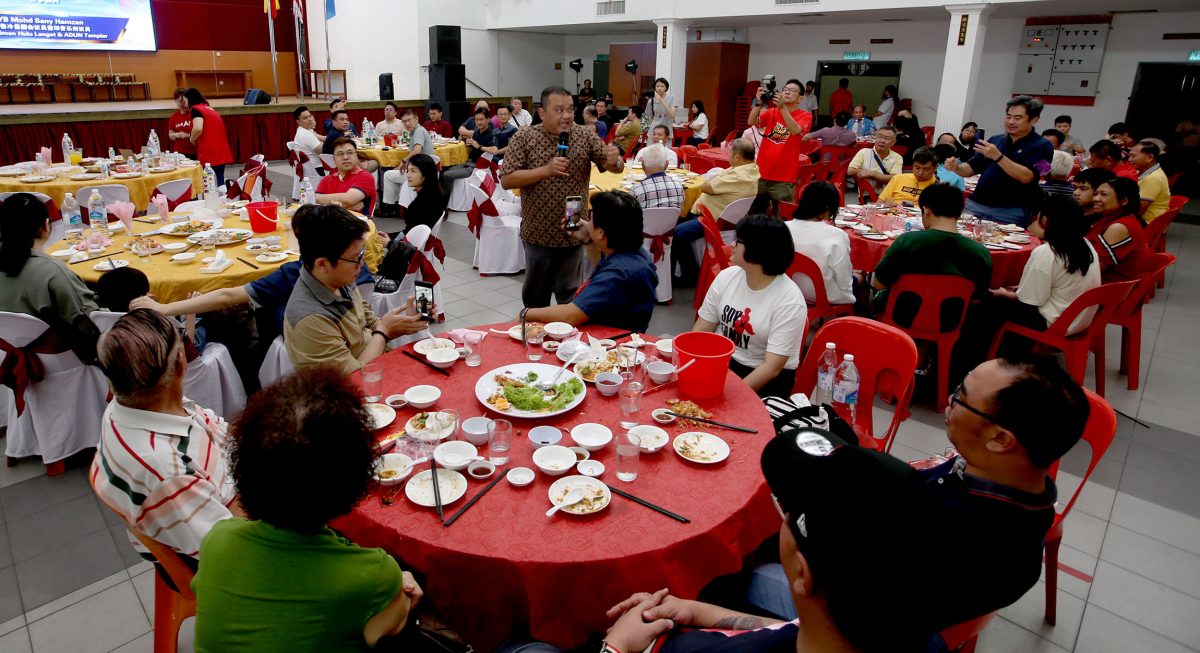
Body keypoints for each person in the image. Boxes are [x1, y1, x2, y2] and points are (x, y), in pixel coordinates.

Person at [703, 355, 1089, 640]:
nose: (950, 402)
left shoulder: (939, 530)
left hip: (856, 620)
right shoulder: (1026, 494)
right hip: (892, 590)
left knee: (723, 567)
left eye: (961, 396)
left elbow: (841, 619)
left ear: (1000, 439)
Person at [192, 366, 423, 651]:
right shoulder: (373, 573)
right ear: (353, 480)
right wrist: (397, 589)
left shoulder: (218, 539)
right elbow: (393, 623)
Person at [90, 309, 240, 562]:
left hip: (218, 497)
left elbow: (219, 430)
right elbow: (230, 549)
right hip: (222, 556)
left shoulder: (131, 404)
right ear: (181, 360)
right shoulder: (166, 470)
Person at [131, 208, 377, 344]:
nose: (359, 262)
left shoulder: (300, 272)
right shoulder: (345, 259)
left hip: (320, 339)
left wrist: (164, 308)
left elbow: (227, 295)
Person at [501, 86, 625, 307]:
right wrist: (546, 170)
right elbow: (507, 179)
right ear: (542, 113)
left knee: (570, 296)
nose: (567, 116)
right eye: (559, 110)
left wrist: (614, 159)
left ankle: (566, 338)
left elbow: (610, 166)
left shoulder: (585, 134)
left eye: (570, 109)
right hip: (538, 229)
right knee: (535, 298)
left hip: (573, 225)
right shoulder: (525, 136)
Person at [283, 204, 427, 374]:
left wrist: (406, 323)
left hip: (378, 367)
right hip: (347, 393)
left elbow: (370, 322)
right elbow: (355, 377)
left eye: (361, 255)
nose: (361, 265)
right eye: (355, 258)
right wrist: (385, 331)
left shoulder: (339, 279)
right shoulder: (309, 318)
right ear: (322, 264)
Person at [695, 215, 807, 398]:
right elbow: (701, 332)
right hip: (722, 363)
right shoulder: (727, 277)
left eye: (738, 241)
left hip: (763, 379)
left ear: (757, 250)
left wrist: (729, 394)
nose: (731, 245)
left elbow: (772, 368)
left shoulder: (789, 300)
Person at [520, 191, 657, 332]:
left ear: (601, 233)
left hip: (608, 341)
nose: (587, 222)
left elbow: (569, 316)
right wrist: (589, 240)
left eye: (591, 219)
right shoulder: (632, 251)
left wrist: (526, 314)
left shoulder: (618, 273)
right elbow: (602, 266)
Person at [970, 195, 1100, 345]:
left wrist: (1005, 294)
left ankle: (980, 355)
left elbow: (1029, 303)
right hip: (1078, 319)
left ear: (1044, 220)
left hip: (1054, 321)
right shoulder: (1085, 245)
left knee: (985, 302)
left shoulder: (1048, 252)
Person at [872, 183, 992, 326]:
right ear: (960, 213)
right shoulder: (980, 251)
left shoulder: (908, 241)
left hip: (902, 316)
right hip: (950, 321)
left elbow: (878, 283)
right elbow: (977, 299)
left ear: (926, 211)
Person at [0, 193, 99, 363]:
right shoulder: (52, 271)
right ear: (45, 226)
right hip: (66, 362)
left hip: (9, 357)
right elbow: (90, 322)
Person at [949, 96, 1054, 226]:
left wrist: (998, 157)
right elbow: (971, 168)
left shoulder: (1044, 146)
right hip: (976, 205)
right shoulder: (995, 140)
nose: (1010, 121)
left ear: (1033, 120)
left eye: (1017, 118)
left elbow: (1029, 177)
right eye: (1008, 116)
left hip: (1010, 211)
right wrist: (956, 167)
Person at [673, 138, 761, 285]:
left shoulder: (738, 176)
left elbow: (706, 187)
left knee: (677, 233)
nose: (729, 157)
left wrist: (711, 181)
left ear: (737, 156)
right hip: (719, 216)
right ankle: (688, 270)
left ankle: (688, 275)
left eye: (730, 153)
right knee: (678, 220)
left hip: (712, 220)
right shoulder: (752, 169)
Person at [785, 181, 855, 307]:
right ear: (827, 208)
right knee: (860, 278)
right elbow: (844, 282)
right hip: (823, 296)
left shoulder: (781, 228)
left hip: (788, 291)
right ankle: (856, 320)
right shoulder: (836, 235)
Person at [748, 78, 812, 211]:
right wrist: (758, 103)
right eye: (786, 90)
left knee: (783, 218)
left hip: (784, 178)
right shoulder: (771, 112)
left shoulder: (805, 116)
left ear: (800, 99)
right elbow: (751, 121)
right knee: (755, 214)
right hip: (761, 174)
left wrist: (782, 108)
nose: (788, 92)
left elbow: (795, 130)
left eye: (793, 90)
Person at [1088, 177, 1153, 282]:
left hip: (1108, 289)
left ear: (1123, 201)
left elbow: (1096, 268)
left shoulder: (1119, 227)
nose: (1095, 199)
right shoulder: (1111, 218)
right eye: (1095, 194)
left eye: (1103, 194)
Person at [378, 111, 434, 217]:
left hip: (422, 173)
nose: (407, 124)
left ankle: (389, 208)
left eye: (409, 120)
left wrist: (404, 161)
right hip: (422, 169)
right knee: (394, 172)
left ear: (416, 119)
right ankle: (396, 206)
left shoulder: (418, 131)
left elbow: (417, 150)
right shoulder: (417, 131)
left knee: (388, 175)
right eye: (404, 121)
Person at [184, 88, 233, 186]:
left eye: (185, 101)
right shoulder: (207, 108)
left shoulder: (196, 109)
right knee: (219, 179)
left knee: (211, 183)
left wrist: (192, 138)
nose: (185, 104)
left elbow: (198, 128)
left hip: (210, 151)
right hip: (221, 149)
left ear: (190, 99)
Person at [316, 138, 378, 215]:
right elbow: (316, 206)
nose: (345, 157)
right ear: (334, 159)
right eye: (340, 154)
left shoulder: (365, 177)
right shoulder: (326, 180)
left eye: (350, 153)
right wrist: (348, 207)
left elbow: (349, 199)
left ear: (356, 156)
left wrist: (317, 197)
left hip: (356, 224)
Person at [397, 153, 446, 233]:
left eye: (413, 171)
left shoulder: (424, 204)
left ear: (425, 174)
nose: (408, 175)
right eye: (408, 170)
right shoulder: (433, 194)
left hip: (413, 243)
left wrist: (389, 242)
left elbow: (411, 238)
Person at [847, 125, 902, 193]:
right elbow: (850, 170)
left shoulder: (897, 157)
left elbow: (895, 178)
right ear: (875, 138)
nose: (882, 141)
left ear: (893, 142)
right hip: (867, 194)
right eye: (880, 137)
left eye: (886, 138)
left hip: (889, 196)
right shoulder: (864, 152)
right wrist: (884, 177)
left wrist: (872, 173)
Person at [629, 145, 684, 210]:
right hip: (672, 220)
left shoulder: (637, 190)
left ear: (642, 164)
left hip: (645, 220)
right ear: (666, 164)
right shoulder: (679, 187)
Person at [1129, 139, 1172, 222]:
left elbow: (1137, 212)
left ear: (1149, 157)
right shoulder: (1144, 172)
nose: (1129, 159)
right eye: (1129, 156)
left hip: (1146, 222)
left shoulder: (1153, 178)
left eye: (1133, 156)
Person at [167, 88, 196, 157]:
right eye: (179, 102)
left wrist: (187, 135)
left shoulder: (195, 113)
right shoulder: (174, 116)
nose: (182, 104)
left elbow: (200, 131)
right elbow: (171, 135)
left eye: (183, 101)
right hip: (180, 152)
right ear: (176, 102)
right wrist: (179, 135)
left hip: (195, 150)